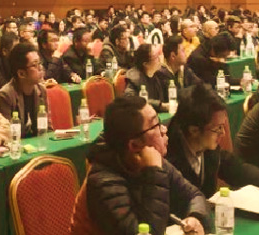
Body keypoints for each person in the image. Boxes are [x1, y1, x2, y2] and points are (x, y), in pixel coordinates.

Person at [71, 96, 210, 235]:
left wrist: (195, 217)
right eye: (155, 125)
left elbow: (194, 195)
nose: (164, 129)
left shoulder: (149, 159)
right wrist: (155, 173)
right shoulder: (103, 182)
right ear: (134, 145)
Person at [166, 84, 259, 198]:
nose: (223, 133)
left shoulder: (206, 146)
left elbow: (232, 167)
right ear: (194, 130)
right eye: (218, 128)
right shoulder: (168, 159)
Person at [0, 43, 49, 138]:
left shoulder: (41, 90)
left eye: (40, 63)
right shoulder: (5, 95)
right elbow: (6, 134)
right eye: (35, 65)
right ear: (21, 74)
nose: (40, 68)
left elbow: (47, 128)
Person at [124, 44, 166, 112]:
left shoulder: (159, 74)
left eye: (159, 55)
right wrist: (160, 105)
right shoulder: (134, 78)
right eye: (156, 57)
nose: (160, 59)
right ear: (146, 64)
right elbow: (131, 100)